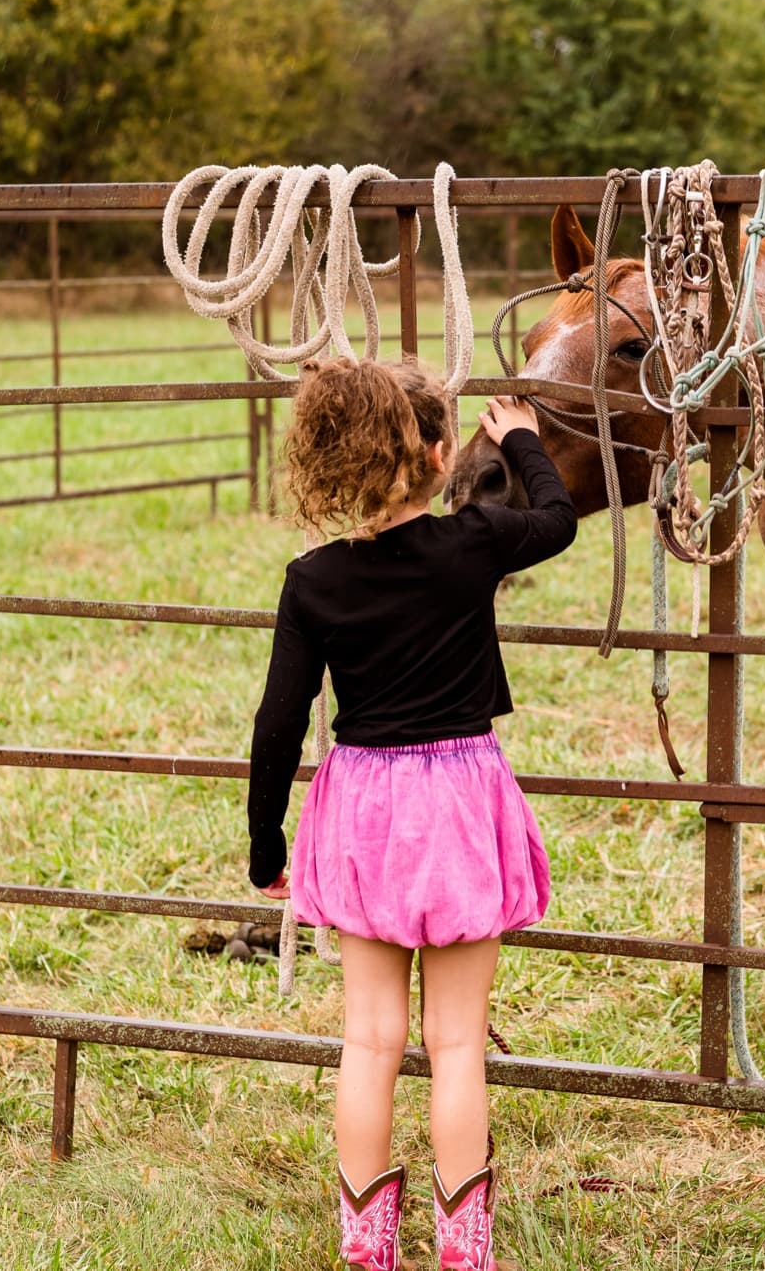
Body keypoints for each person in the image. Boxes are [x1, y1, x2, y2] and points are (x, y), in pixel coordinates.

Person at [246, 356, 575, 1271]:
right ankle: (465, 1253)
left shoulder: (313, 578)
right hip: (459, 799)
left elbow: (278, 721)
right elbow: (554, 523)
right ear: (438, 456)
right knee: (457, 1040)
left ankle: (366, 1250)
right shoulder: (472, 542)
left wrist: (264, 840)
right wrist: (522, 444)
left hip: (366, 806)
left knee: (370, 1036)